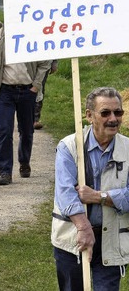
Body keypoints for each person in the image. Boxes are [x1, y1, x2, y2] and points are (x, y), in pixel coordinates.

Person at [52, 87, 129, 291]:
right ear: (89, 116)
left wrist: (98, 197)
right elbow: (65, 194)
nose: (113, 119)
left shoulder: (128, 149)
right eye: (105, 113)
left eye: (118, 112)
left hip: (112, 239)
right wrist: (83, 227)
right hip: (72, 238)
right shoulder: (69, 146)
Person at [0, 28, 52, 186]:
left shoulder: (34, 36)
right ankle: (5, 171)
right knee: (4, 130)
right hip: (6, 91)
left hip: (27, 91)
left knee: (26, 130)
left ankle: (24, 161)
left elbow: (45, 63)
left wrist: (36, 85)